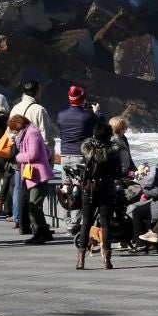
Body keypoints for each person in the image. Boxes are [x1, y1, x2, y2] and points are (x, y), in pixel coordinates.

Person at [76, 119, 123, 269]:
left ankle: (81, 260)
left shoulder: (87, 149)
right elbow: (118, 174)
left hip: (89, 188)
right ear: (109, 135)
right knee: (105, 223)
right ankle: (107, 261)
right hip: (106, 187)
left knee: (86, 222)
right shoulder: (113, 151)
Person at [57, 86, 103, 235]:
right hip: (80, 155)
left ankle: (67, 222)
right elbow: (100, 126)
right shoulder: (88, 116)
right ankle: (74, 225)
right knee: (78, 189)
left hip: (64, 156)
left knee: (66, 188)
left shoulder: (61, 115)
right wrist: (97, 112)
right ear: (83, 99)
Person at [9, 113, 52, 244]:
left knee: (34, 205)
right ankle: (42, 233)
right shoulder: (29, 132)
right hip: (34, 175)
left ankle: (41, 233)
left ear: (19, 125)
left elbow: (33, 154)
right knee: (33, 205)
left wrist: (18, 157)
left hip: (38, 175)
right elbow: (47, 151)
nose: (15, 133)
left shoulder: (32, 133)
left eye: (15, 129)